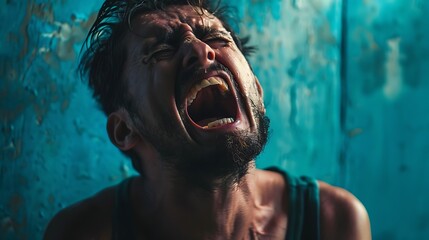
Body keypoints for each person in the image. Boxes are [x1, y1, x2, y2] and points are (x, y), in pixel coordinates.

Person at [44, 0, 371, 239]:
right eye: (160, 50)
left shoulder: (332, 222)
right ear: (125, 129)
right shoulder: (84, 233)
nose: (201, 52)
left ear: (255, 89)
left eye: (217, 38)